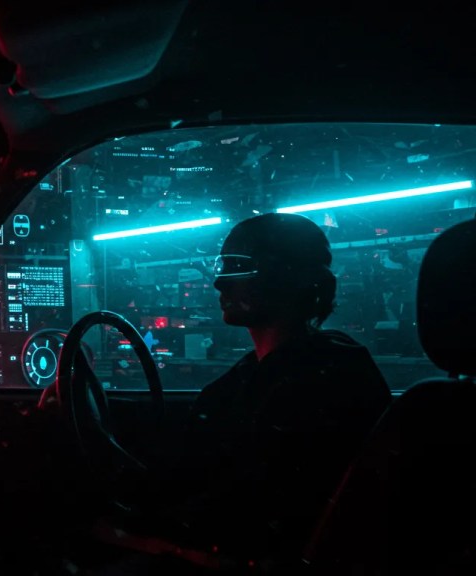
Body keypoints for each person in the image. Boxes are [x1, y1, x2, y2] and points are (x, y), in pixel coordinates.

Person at [102, 213, 392, 572]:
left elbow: (242, 507)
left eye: (238, 266)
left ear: (288, 277)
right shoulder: (288, 367)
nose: (219, 282)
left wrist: (130, 522)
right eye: (222, 266)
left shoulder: (313, 381)